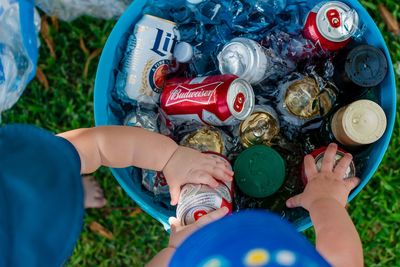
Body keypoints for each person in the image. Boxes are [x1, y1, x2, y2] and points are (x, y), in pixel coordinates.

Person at [0, 124, 233, 266]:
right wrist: (175, 253)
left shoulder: (22, 166)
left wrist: (170, 157)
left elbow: (94, 144)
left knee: (55, 176)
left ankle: (70, 191)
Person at [147, 143, 363, 267]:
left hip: (208, 244)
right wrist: (324, 199)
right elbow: (343, 255)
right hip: (265, 241)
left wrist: (176, 249)